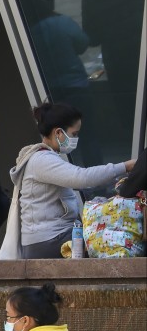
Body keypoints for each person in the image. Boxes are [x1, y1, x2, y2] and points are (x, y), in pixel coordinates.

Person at [9, 101, 134, 259]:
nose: (76, 138)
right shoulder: (42, 160)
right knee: (114, 239)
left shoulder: (48, 157)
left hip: (53, 238)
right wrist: (125, 166)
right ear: (59, 133)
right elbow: (82, 178)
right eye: (74, 134)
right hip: (50, 241)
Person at [15, 0, 88, 108]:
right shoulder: (63, 22)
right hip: (76, 85)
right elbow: (82, 45)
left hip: (47, 91)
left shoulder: (25, 34)